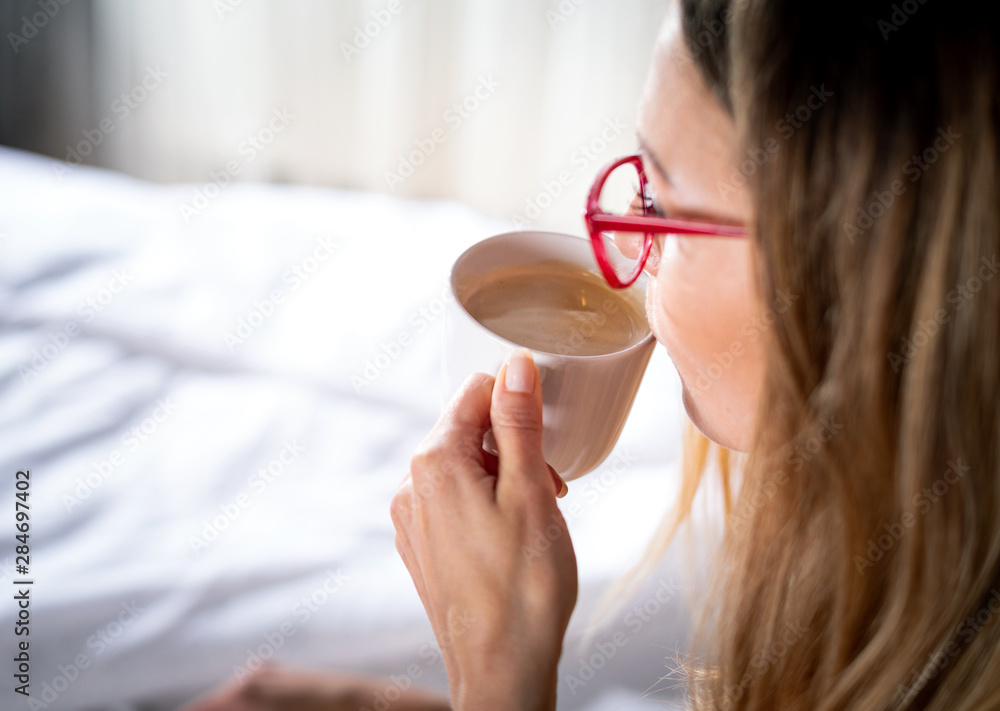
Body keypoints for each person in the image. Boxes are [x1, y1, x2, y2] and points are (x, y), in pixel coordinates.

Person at [188, 0, 1000, 708]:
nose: (627, 256)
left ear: (854, 269)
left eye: (663, 203)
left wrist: (496, 675)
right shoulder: (879, 530)